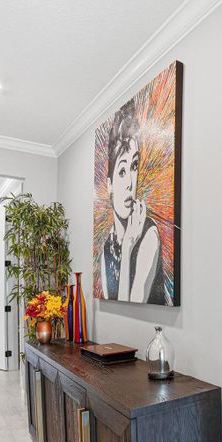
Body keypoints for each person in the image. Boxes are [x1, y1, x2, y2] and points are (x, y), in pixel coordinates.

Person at [99, 100, 164, 304]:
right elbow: (116, 302)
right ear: (109, 185)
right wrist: (125, 245)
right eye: (122, 171)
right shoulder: (107, 249)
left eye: (134, 166)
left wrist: (128, 247)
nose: (130, 183)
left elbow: (134, 303)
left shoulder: (149, 235)